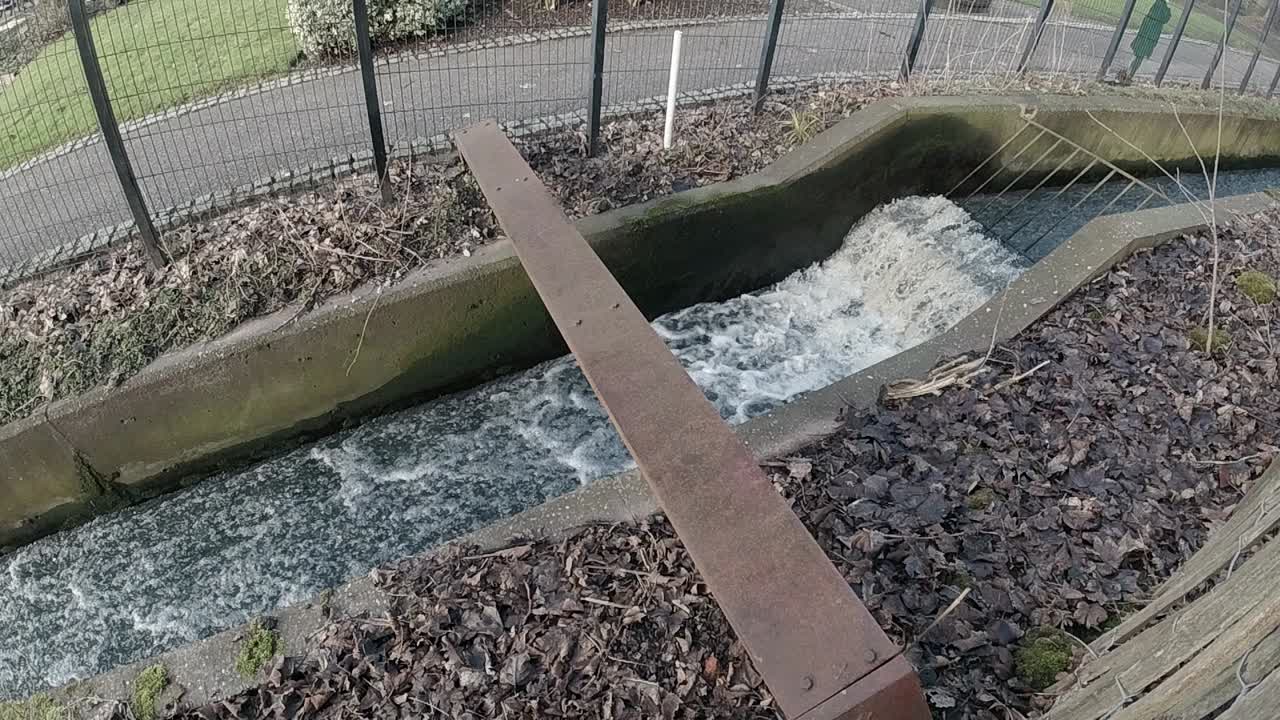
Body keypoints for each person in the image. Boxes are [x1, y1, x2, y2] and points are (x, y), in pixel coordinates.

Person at [1129, 0, 1173, 79]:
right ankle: (1130, 73)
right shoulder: (1162, 5)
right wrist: (1168, 9)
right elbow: (1166, 19)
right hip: (1150, 33)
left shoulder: (1159, 4)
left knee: (1139, 55)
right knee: (1140, 55)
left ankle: (1130, 72)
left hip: (1147, 31)